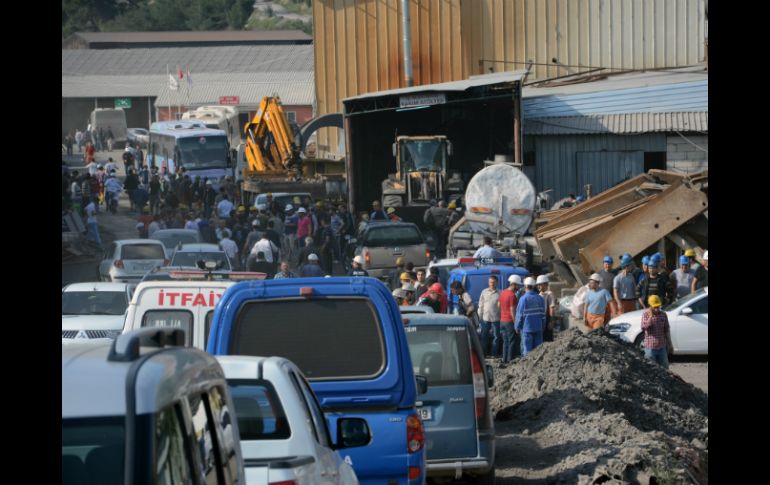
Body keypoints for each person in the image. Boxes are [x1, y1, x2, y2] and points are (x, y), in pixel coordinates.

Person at [514, 277, 546, 357]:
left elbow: (519, 315)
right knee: (538, 350)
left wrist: (517, 326)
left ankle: (528, 367)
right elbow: (543, 315)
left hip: (527, 329)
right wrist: (543, 326)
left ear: (525, 287)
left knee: (527, 351)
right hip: (538, 328)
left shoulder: (523, 299)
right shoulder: (540, 298)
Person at [640, 295, 673, 369]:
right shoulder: (646, 315)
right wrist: (651, 317)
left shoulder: (663, 315)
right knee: (651, 369)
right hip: (650, 348)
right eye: (655, 307)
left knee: (665, 368)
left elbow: (667, 330)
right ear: (650, 306)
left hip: (662, 347)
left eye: (658, 307)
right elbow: (643, 327)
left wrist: (670, 344)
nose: (657, 309)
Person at [477, 276, 501, 358]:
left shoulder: (500, 293)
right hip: (485, 318)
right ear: (488, 283)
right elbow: (480, 305)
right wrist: (479, 316)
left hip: (496, 318)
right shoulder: (484, 292)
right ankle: (483, 354)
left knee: (496, 337)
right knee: (484, 337)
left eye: (493, 282)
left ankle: (494, 354)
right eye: (490, 282)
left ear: (497, 283)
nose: (492, 284)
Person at [498, 276, 518, 363]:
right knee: (511, 341)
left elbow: (498, 305)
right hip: (509, 321)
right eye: (517, 285)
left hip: (502, 321)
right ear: (513, 284)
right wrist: (515, 323)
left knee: (505, 341)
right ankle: (510, 360)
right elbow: (512, 310)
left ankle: (504, 359)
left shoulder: (503, 292)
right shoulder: (512, 295)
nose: (518, 287)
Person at [536, 275, 557, 341]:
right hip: (540, 320)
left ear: (545, 284)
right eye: (538, 285)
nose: (538, 286)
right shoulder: (539, 294)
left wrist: (551, 321)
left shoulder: (549, 294)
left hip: (547, 319)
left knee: (548, 338)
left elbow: (552, 308)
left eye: (540, 284)